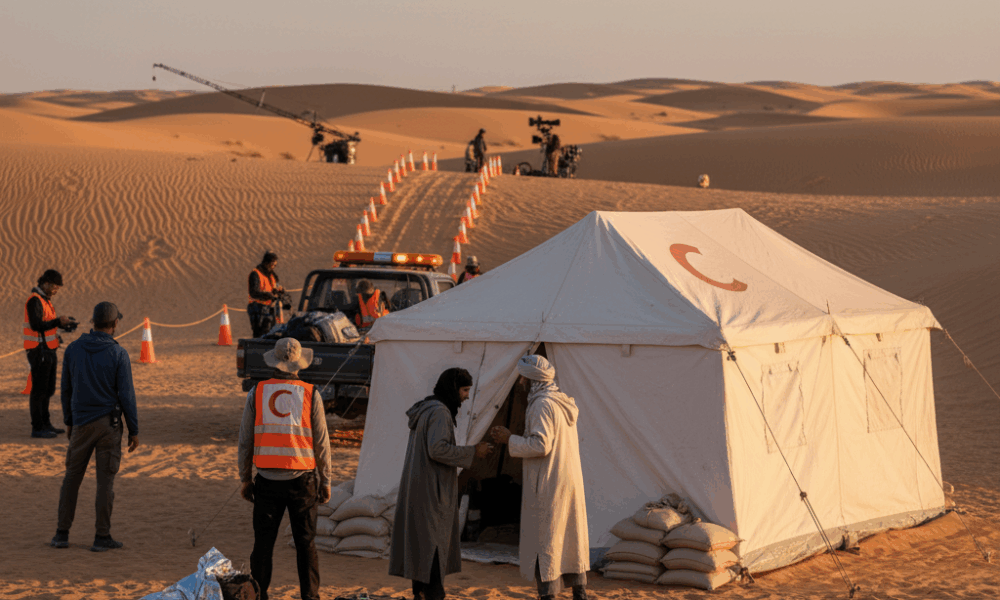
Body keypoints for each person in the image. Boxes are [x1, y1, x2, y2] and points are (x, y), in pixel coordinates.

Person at [238, 337, 332, 600]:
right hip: (302, 482)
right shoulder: (311, 394)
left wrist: (245, 478)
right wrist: (326, 481)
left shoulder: (256, 392)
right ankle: (310, 597)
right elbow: (322, 443)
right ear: (299, 363)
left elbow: (245, 439)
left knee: (263, 546)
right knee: (306, 545)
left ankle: (259, 595)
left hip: (266, 481)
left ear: (274, 361)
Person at [491, 355, 590, 600]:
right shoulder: (560, 402)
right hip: (565, 480)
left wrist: (509, 439)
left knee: (544, 540)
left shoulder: (542, 404)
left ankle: (547, 594)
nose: (521, 381)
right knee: (568, 538)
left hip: (549, 482)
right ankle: (579, 592)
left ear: (532, 378)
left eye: (523, 376)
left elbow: (541, 445)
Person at [389, 368, 492, 600]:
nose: (466, 396)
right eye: (464, 390)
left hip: (423, 486)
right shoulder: (439, 412)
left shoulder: (429, 409)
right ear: (452, 389)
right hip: (431, 490)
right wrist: (473, 452)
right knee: (432, 548)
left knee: (424, 547)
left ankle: (423, 593)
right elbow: (438, 449)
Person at [51, 301, 139, 552]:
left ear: (93, 322)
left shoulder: (73, 349)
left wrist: (69, 420)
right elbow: (126, 395)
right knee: (105, 483)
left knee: (71, 478)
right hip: (109, 426)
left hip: (80, 424)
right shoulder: (118, 353)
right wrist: (133, 429)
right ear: (114, 324)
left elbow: (65, 389)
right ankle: (102, 536)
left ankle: (61, 534)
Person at [24, 269, 74, 438]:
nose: (55, 290)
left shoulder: (46, 301)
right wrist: (57, 321)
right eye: (54, 287)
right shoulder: (34, 301)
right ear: (45, 283)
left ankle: (46, 424)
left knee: (48, 389)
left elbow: (48, 324)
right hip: (38, 351)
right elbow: (36, 325)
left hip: (49, 350)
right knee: (39, 390)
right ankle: (37, 427)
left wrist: (64, 325)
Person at [248, 251, 285, 338]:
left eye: (275, 265)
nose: (274, 267)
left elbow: (275, 287)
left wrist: (279, 291)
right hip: (257, 308)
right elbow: (253, 292)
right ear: (266, 263)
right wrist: (266, 295)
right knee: (259, 335)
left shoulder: (272, 275)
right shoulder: (255, 274)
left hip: (270, 308)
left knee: (270, 333)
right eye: (272, 264)